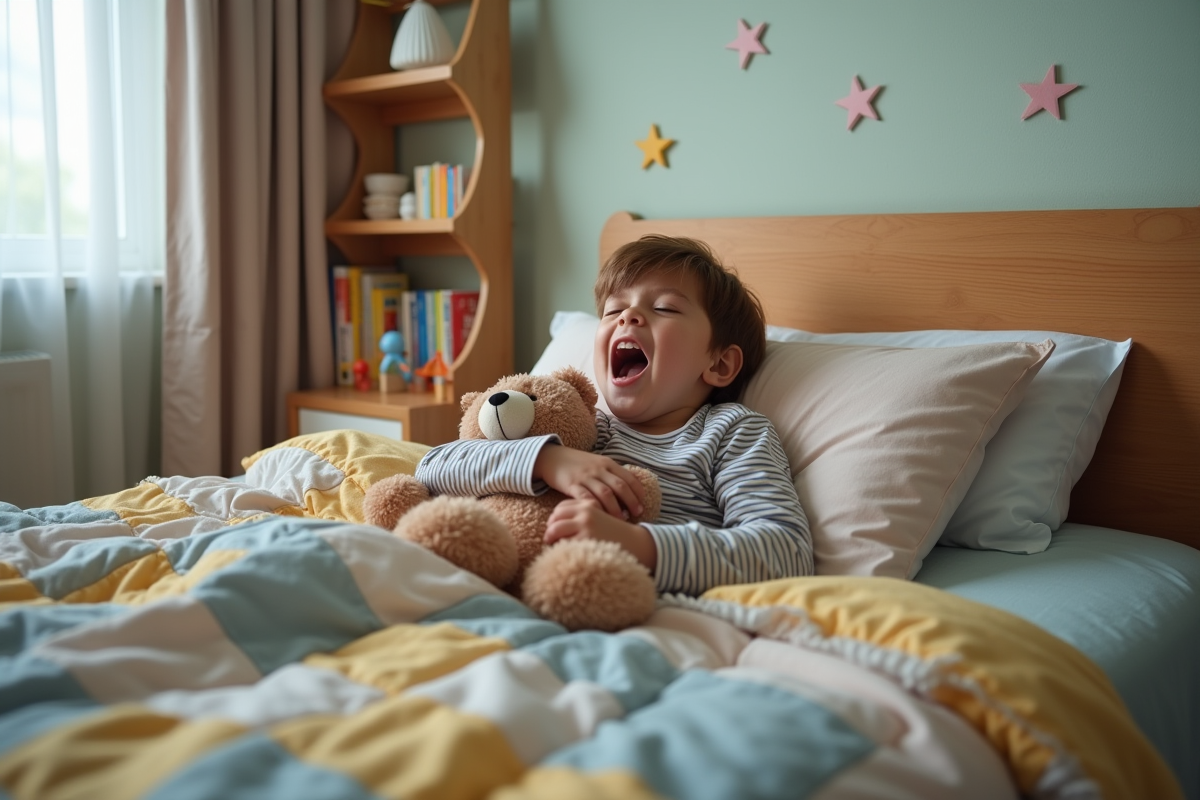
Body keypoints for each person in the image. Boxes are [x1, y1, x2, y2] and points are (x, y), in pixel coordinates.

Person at [416, 234, 813, 595]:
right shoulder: (577, 426)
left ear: (720, 364)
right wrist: (548, 460)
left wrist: (640, 545)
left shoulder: (731, 432)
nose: (628, 316)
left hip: (629, 600)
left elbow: (785, 551)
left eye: (664, 308)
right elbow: (433, 467)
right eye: (614, 310)